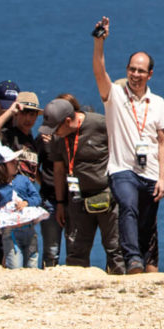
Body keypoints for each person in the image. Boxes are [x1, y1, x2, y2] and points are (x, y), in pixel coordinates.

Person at [93, 21, 164, 275]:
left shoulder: (158, 103)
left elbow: (162, 142)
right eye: (132, 69)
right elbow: (99, 71)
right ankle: (133, 259)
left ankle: (147, 265)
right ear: (126, 70)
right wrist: (99, 42)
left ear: (150, 74)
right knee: (128, 205)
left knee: (147, 224)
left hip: (150, 173)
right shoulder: (115, 95)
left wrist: (162, 178)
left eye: (141, 71)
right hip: (122, 169)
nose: (135, 74)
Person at [44, 96, 124, 272]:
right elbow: (59, 170)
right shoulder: (58, 137)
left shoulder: (101, 124)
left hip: (106, 195)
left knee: (115, 247)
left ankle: (120, 284)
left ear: (67, 121)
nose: (53, 133)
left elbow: (121, 150)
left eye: (55, 128)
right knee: (76, 250)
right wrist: (60, 203)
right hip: (77, 199)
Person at [0, 147, 48, 269]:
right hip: (10, 233)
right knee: (14, 265)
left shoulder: (23, 180)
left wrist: (26, 202)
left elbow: (37, 198)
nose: (17, 163)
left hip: (29, 229)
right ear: (1, 167)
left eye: (16, 161)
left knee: (32, 263)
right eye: (12, 162)